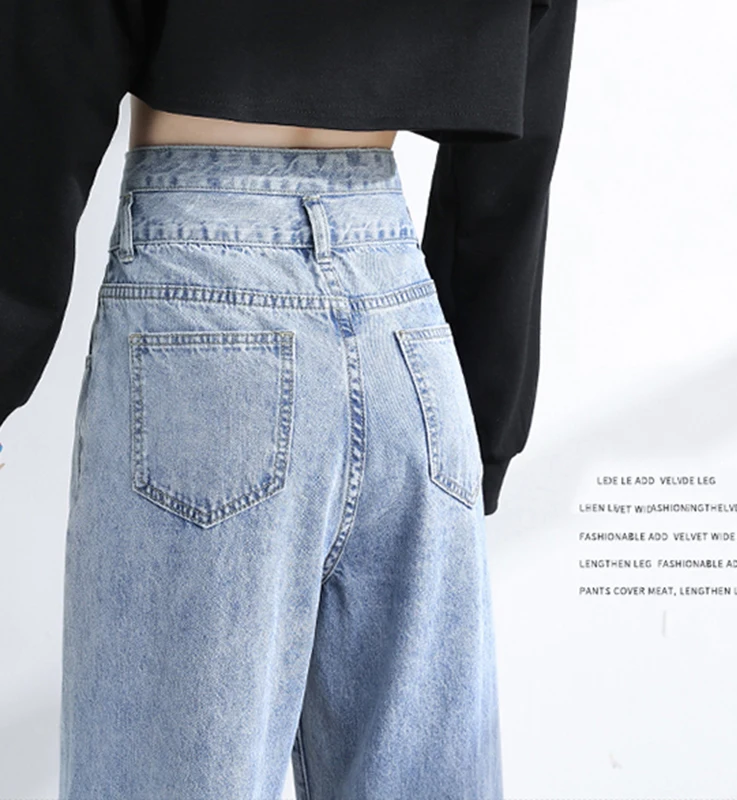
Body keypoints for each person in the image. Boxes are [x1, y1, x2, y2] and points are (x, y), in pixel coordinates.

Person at [0, 0, 578, 797]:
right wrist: (484, 424)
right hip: (407, 336)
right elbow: (519, 144)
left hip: (204, 308)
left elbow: (49, 64)